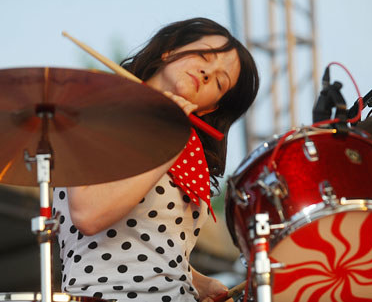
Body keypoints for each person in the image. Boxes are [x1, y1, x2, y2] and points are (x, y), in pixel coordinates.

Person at [53, 17, 259, 302]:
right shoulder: (103, 110)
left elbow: (148, 244)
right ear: (170, 50)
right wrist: (166, 143)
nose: (208, 72)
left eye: (220, 82)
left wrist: (197, 282)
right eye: (204, 56)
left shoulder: (186, 147)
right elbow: (89, 214)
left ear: (210, 106)